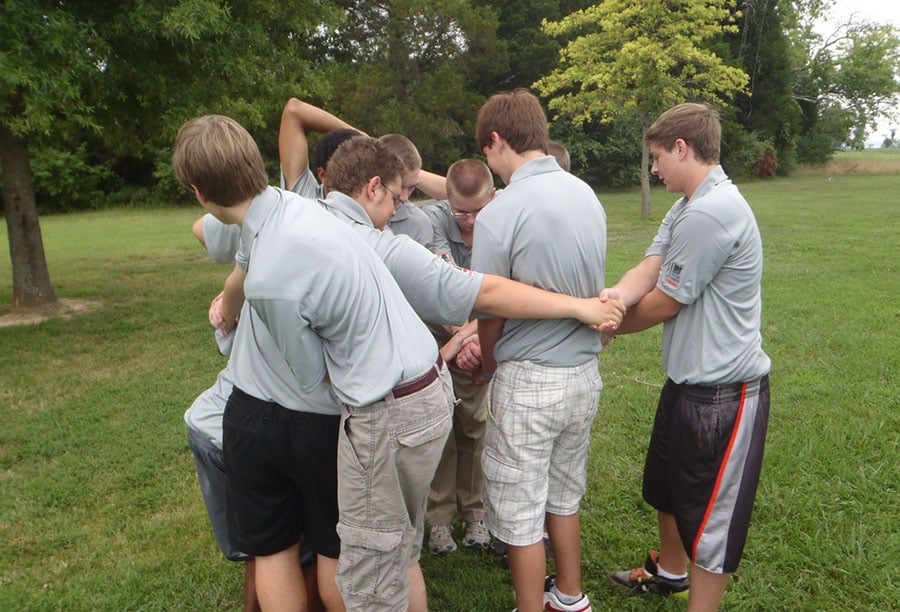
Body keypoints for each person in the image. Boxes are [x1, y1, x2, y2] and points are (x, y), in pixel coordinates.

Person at [604, 102, 771, 612]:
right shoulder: (687, 204)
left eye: (658, 157)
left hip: (724, 394)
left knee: (711, 519)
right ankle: (671, 573)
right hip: (686, 384)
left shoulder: (712, 212)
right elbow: (649, 268)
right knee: (668, 488)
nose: (654, 168)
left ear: (682, 148)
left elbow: (663, 303)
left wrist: (598, 326)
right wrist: (609, 301)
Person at [470, 88, 611, 612]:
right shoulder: (585, 194)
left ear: (498, 141)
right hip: (583, 375)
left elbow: (489, 306)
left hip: (529, 380)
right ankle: (571, 597)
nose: (489, 161)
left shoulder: (500, 213)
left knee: (519, 508)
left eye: (487, 151)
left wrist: (487, 364)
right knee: (564, 493)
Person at [420, 159, 495, 555]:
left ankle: (475, 514)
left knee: (472, 426)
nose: (469, 221)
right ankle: (439, 520)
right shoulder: (430, 219)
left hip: (481, 336)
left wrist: (477, 342)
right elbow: (442, 283)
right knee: (441, 431)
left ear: (493, 197)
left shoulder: (503, 216)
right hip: (437, 336)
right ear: (444, 199)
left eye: (478, 211)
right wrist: (466, 339)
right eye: (460, 212)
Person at [378, 133, 436, 246]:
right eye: (401, 186)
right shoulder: (348, 216)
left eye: (412, 187)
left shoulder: (419, 224)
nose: (404, 197)